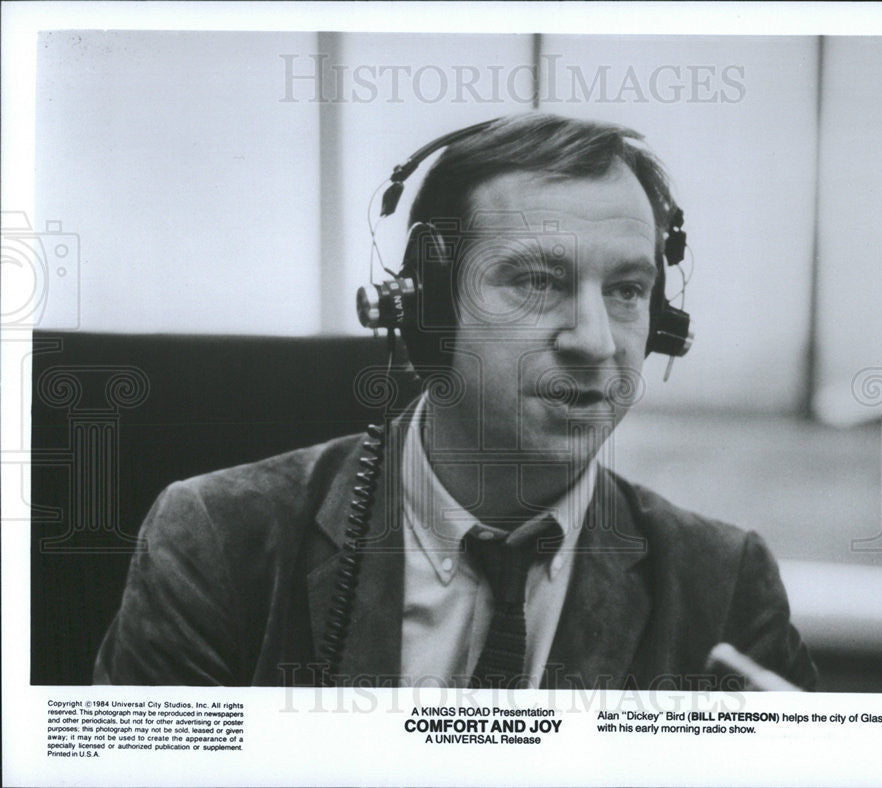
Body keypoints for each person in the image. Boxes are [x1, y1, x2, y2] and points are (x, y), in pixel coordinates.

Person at [94, 114, 816, 690]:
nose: (597, 342)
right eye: (537, 282)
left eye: (627, 290)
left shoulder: (722, 583)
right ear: (427, 312)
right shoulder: (218, 542)